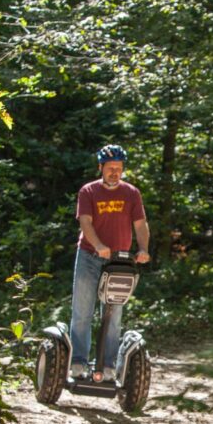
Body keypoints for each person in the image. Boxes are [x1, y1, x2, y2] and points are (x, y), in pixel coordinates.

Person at [69, 144, 151, 381]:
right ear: (101, 168)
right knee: (82, 311)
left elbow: (140, 224)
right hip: (89, 256)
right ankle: (78, 362)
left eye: (119, 168)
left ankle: (107, 366)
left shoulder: (131, 193)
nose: (115, 172)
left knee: (113, 315)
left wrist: (143, 249)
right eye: (110, 168)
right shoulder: (88, 191)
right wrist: (98, 246)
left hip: (119, 262)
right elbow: (85, 222)